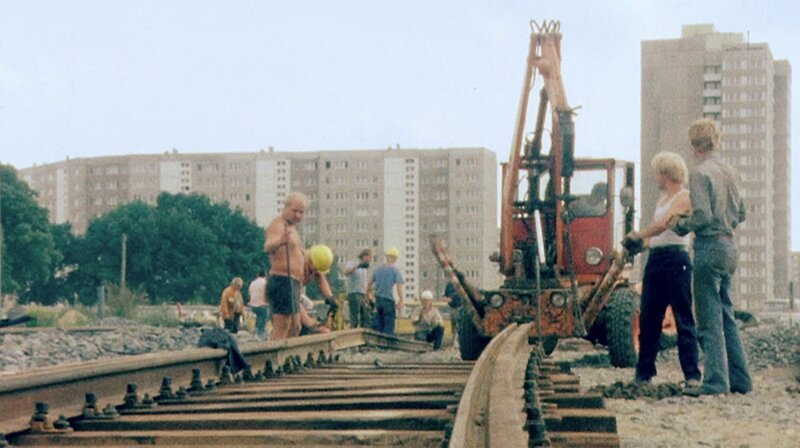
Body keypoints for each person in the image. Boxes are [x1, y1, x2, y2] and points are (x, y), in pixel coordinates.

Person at [668, 118, 752, 397]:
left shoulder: (699, 173)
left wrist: (681, 224)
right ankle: (740, 380)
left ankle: (716, 382)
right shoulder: (730, 172)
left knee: (709, 318)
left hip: (708, 247)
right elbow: (741, 213)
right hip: (730, 247)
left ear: (694, 145)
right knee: (727, 313)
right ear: (715, 141)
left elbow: (703, 215)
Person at [622, 151, 701, 387]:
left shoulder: (683, 197)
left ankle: (692, 374)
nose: (655, 177)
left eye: (657, 172)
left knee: (683, 316)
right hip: (656, 258)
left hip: (676, 259)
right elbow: (658, 236)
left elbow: (664, 224)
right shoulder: (662, 198)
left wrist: (640, 234)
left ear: (665, 173)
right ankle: (644, 371)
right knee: (649, 317)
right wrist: (641, 244)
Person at [264, 192, 309, 340]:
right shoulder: (278, 225)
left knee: (296, 326)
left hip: (292, 282)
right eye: (294, 210)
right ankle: (272, 359)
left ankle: (286, 358)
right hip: (282, 280)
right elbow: (268, 246)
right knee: (282, 326)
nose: (297, 215)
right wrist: (281, 241)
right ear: (285, 207)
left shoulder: (292, 229)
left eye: (301, 212)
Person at [367, 246, 404, 335]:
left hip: (378, 301)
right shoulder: (395, 271)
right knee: (388, 326)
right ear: (395, 258)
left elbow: (369, 284)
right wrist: (401, 300)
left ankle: (378, 344)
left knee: (379, 324)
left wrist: (369, 295)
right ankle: (387, 344)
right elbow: (399, 286)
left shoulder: (378, 270)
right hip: (388, 301)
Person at [344, 248, 373, 328]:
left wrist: (369, 295)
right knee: (354, 316)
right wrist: (357, 267)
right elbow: (346, 272)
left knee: (366, 315)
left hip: (363, 293)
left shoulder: (365, 269)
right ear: (365, 256)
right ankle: (353, 332)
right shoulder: (353, 262)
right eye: (370, 257)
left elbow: (364, 282)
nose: (370, 260)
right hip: (354, 292)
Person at [247, 270, 270, 339]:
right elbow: (268, 294)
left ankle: (255, 333)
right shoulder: (265, 283)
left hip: (252, 305)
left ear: (257, 275)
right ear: (265, 275)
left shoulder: (252, 283)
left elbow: (249, 293)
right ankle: (261, 334)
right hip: (262, 304)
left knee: (258, 318)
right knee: (263, 318)